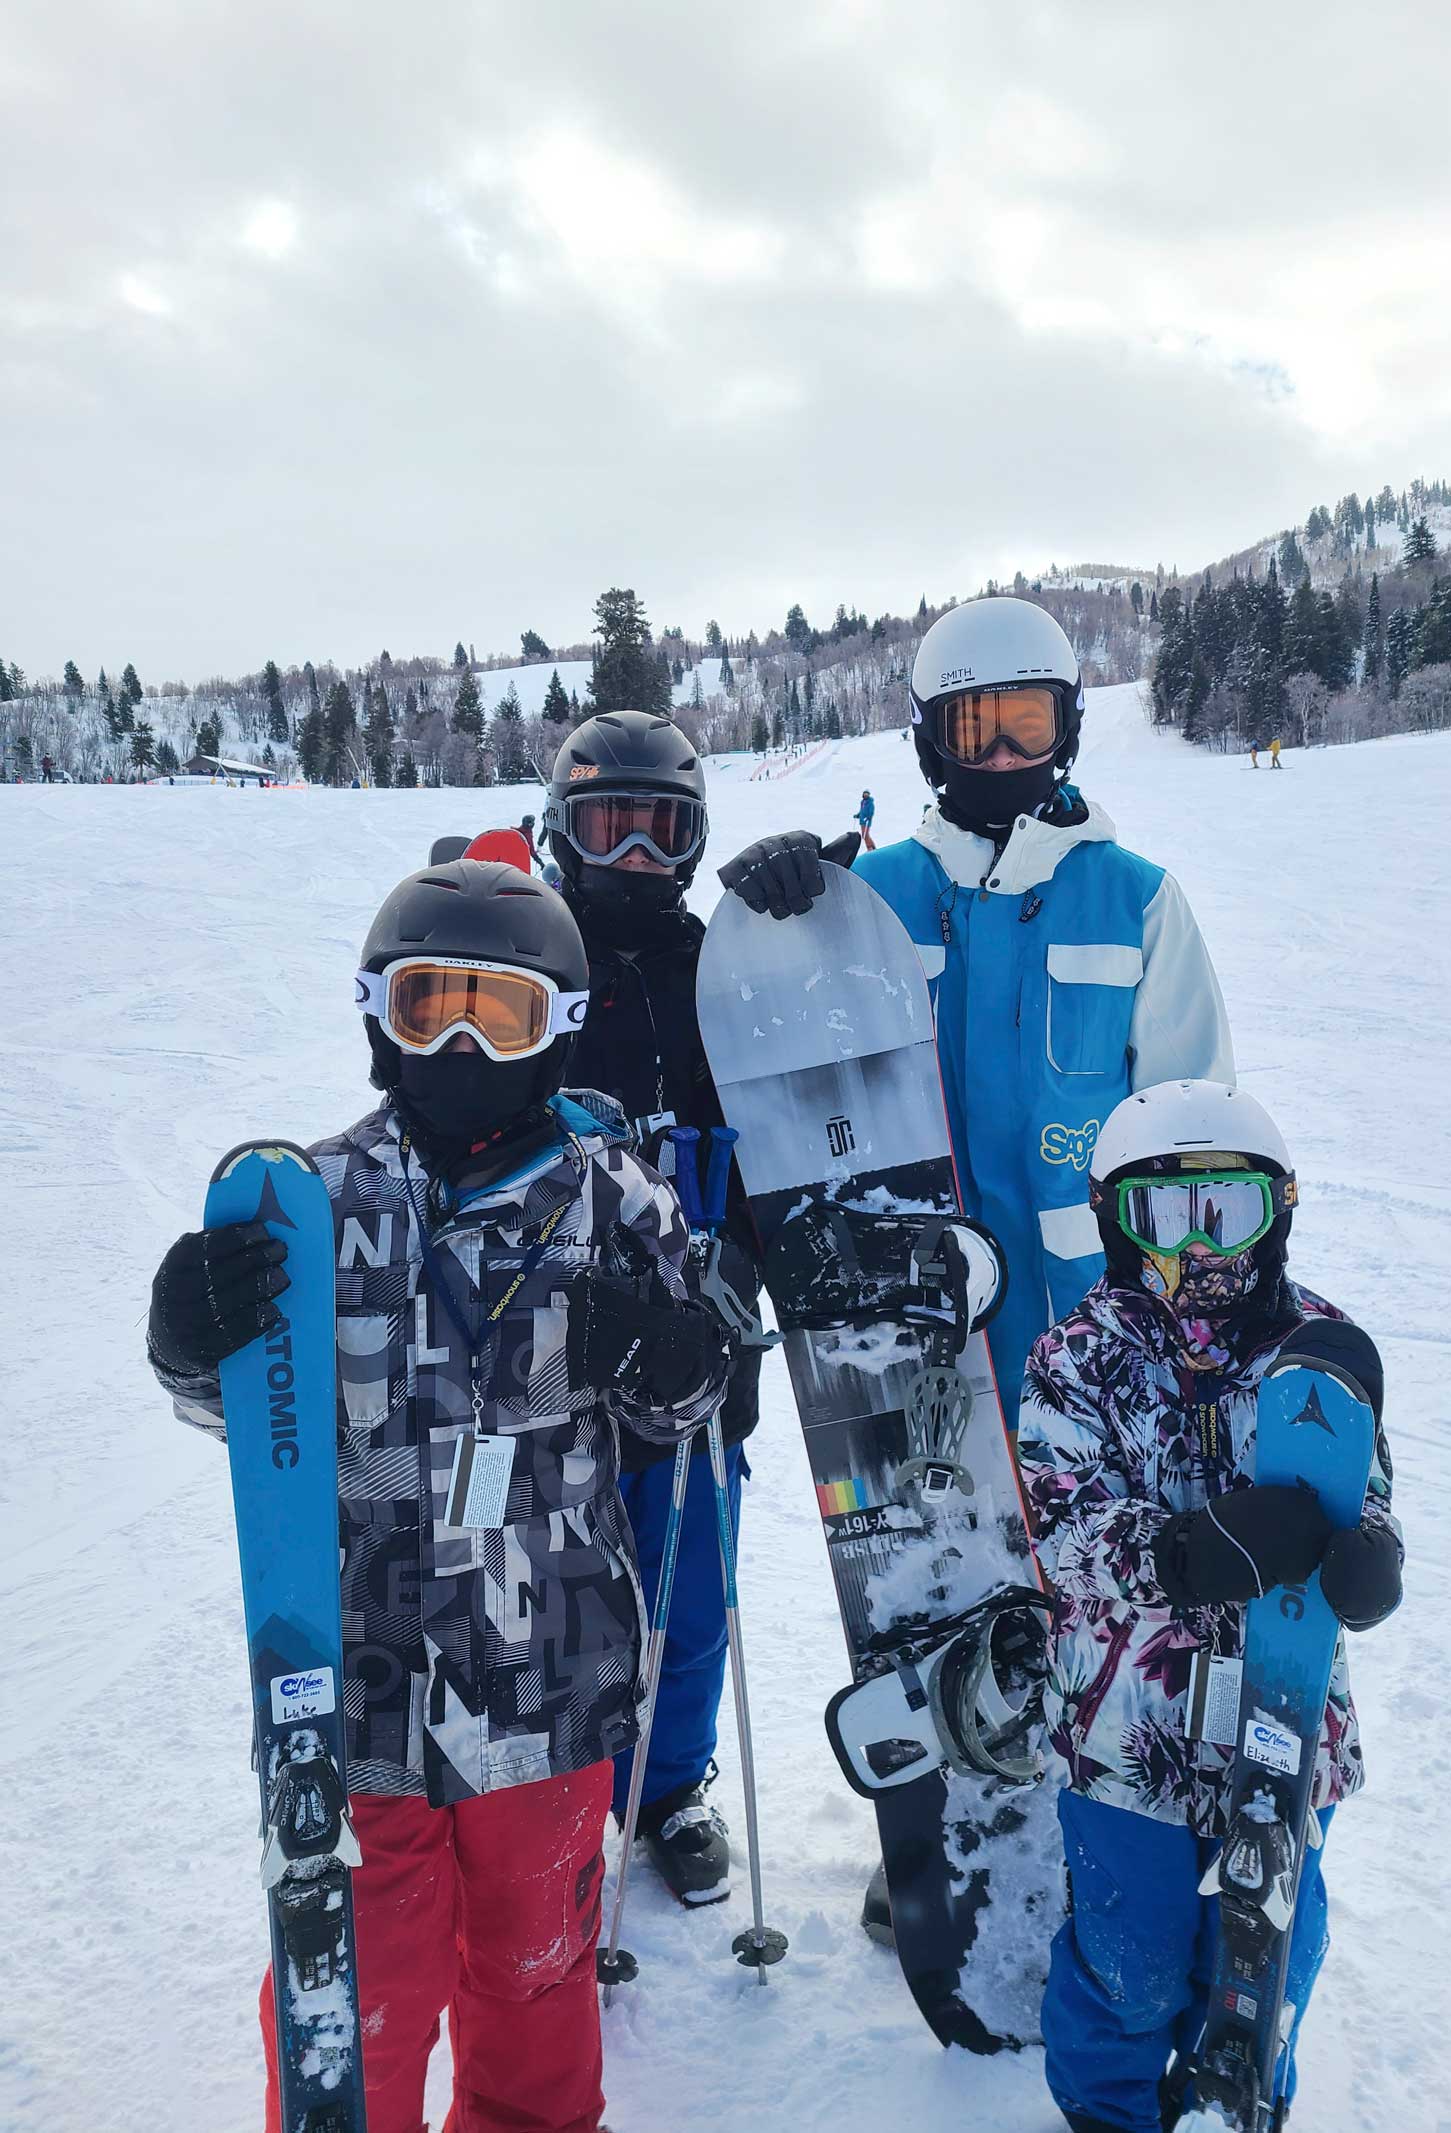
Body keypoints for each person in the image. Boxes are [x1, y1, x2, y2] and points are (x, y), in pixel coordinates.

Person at [146, 858, 732, 2133]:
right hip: (360, 1693)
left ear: (558, 1029)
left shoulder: (612, 1201)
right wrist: (196, 1346)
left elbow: (683, 1414)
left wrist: (679, 1358)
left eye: (501, 1013)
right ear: (378, 1019)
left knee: (532, 1971)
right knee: (365, 1977)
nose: (462, 1042)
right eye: (429, 1008)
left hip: (552, 1678)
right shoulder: (315, 1202)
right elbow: (251, 1430)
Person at [718, 595, 1234, 1432]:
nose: (999, 755)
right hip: (916, 1324)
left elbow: (1195, 1134)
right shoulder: (867, 901)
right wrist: (776, 923)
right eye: (972, 727)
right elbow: (782, 1083)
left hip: (1097, 1324)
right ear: (930, 740)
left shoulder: (1135, 900)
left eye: (1025, 724)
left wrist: (1207, 1322)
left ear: (1065, 729)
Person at [1016, 1079, 1403, 2133]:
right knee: (1129, 1954)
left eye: (1231, 1211)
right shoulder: (1074, 1360)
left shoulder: (1321, 1354)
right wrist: (1189, 1557)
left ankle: (1239, 2089)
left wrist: (1369, 1565)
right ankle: (1108, 2107)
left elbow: (1364, 1497)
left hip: (1285, 1721)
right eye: (1166, 1215)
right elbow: (1068, 1534)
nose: (1202, 1248)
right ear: (1113, 1219)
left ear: (1277, 1210)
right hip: (1125, 1729)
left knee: (1276, 1941)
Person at [543, 710, 765, 1905]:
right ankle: (560, 1786)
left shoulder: (723, 967)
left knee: (687, 1583)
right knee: (553, 1587)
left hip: (698, 1341)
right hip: (552, 1343)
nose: (636, 856)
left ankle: (669, 1786)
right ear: (560, 831)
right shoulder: (530, 959)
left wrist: (744, 1266)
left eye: (660, 831)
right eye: (609, 828)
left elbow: (783, 1132)